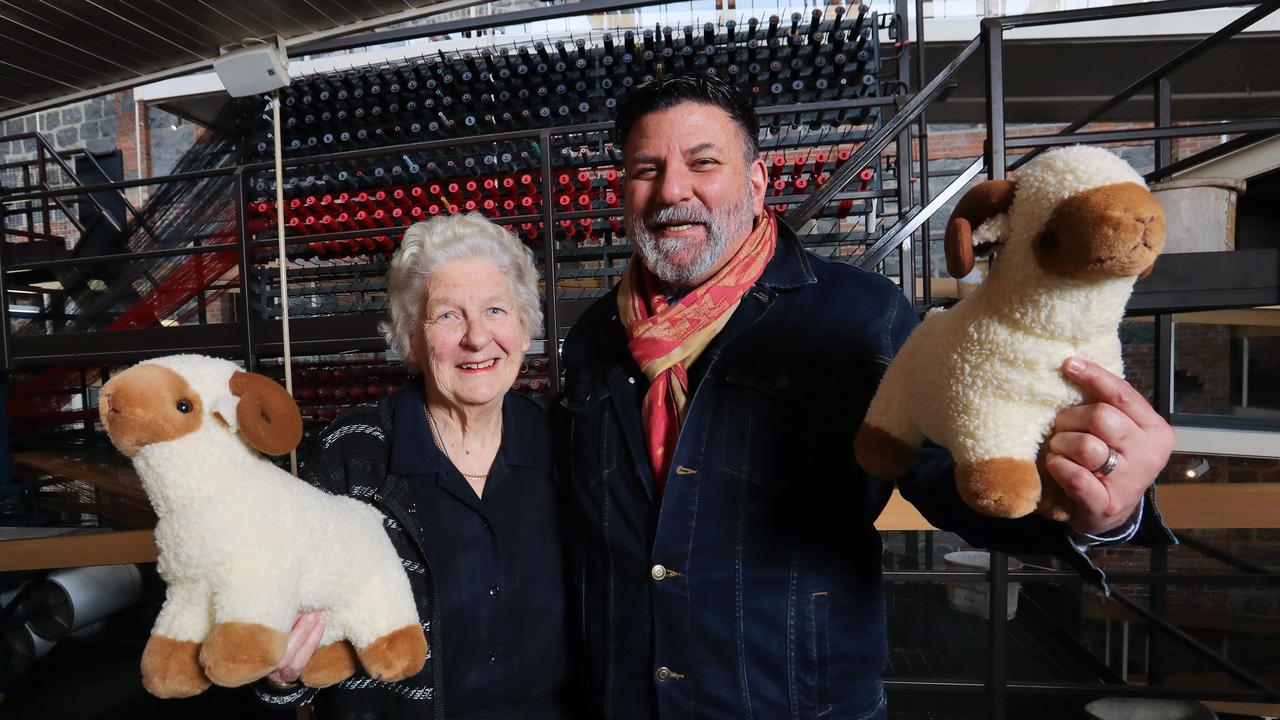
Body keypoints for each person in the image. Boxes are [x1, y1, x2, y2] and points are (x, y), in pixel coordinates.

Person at [558, 74, 1176, 720]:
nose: (671, 191)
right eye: (645, 169)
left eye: (703, 162)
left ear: (757, 181)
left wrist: (1099, 511)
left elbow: (956, 477)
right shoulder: (597, 339)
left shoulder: (858, 315)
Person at [256, 213, 572, 719]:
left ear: (524, 322)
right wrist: (280, 674)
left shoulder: (565, 443)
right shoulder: (350, 458)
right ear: (410, 337)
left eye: (495, 309)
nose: (476, 338)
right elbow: (277, 651)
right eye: (447, 315)